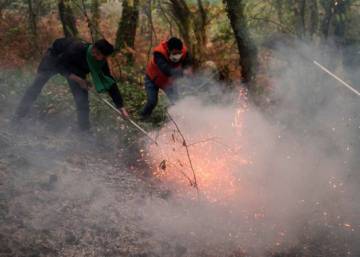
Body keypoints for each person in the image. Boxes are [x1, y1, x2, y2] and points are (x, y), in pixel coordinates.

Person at [14, 37, 128, 131]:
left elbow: (110, 83)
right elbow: (59, 66)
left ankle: (84, 132)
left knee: (82, 100)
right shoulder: (77, 49)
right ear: (93, 47)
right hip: (55, 58)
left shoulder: (100, 63)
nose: (95, 55)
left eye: (99, 55)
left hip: (77, 69)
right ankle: (18, 116)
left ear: (104, 56)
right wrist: (79, 80)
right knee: (36, 87)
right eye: (95, 51)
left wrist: (120, 107)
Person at [140, 37, 192, 119]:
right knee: (152, 101)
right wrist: (182, 72)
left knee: (177, 102)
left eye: (179, 53)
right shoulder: (159, 53)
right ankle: (143, 117)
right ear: (168, 50)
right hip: (152, 78)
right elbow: (166, 70)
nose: (177, 55)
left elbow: (187, 64)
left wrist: (188, 70)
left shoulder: (184, 52)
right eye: (174, 53)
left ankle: (179, 120)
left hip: (168, 82)